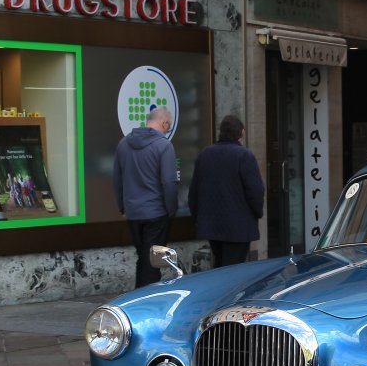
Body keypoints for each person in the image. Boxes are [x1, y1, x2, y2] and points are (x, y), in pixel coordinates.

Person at [113, 105, 178, 288]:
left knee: (143, 256)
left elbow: (117, 179)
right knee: (153, 260)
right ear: (164, 123)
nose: (167, 131)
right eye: (168, 127)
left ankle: (140, 292)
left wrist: (123, 207)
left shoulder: (123, 144)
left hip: (133, 212)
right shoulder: (164, 146)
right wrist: (171, 209)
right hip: (156, 212)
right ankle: (147, 297)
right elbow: (169, 182)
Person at [188, 114, 265, 267]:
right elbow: (255, 191)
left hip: (212, 225)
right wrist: (258, 212)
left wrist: (198, 218)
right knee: (233, 270)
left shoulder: (204, 155)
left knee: (220, 266)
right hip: (238, 226)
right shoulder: (244, 156)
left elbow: (194, 191)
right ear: (241, 133)